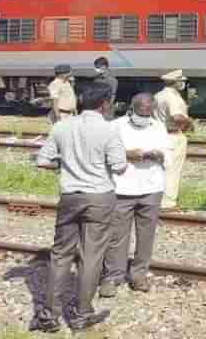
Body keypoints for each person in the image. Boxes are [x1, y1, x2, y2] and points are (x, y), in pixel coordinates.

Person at [32, 83, 127, 333]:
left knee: (60, 254)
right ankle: (82, 313)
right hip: (99, 197)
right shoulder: (108, 130)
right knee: (92, 255)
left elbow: (43, 161)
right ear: (105, 104)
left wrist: (66, 166)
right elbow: (119, 167)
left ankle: (49, 315)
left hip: (70, 197)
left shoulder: (61, 126)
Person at [101, 93, 170, 297]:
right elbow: (103, 153)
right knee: (117, 235)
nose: (144, 114)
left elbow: (168, 152)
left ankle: (139, 275)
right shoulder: (116, 126)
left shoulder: (157, 126)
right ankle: (113, 276)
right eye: (140, 110)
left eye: (148, 110)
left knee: (146, 235)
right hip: (123, 187)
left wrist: (159, 155)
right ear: (131, 108)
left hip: (152, 187)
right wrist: (128, 154)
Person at [154, 69, 192, 211]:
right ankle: (168, 202)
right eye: (181, 81)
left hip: (160, 135)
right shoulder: (173, 97)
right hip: (173, 136)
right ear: (176, 82)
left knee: (161, 168)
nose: (183, 83)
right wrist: (189, 122)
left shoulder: (158, 95)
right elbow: (177, 117)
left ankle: (158, 199)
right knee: (173, 169)